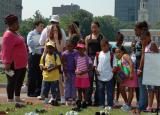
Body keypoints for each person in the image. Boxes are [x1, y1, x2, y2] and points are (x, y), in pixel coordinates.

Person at [1, 14, 28, 102]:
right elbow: (6, 50)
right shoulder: (8, 35)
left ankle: (17, 97)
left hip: (21, 63)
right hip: (13, 64)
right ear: (11, 24)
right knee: (12, 82)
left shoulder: (15, 33)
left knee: (19, 82)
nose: (18, 25)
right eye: (16, 23)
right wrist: (7, 63)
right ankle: (10, 100)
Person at [85, 21, 104, 106]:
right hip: (89, 60)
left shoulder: (102, 37)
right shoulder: (87, 37)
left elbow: (104, 50)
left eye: (95, 27)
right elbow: (86, 51)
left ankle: (97, 101)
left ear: (99, 28)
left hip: (99, 60)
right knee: (89, 81)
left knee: (98, 82)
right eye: (92, 27)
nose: (94, 29)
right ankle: (88, 100)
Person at [114, 46, 138, 112]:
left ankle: (128, 105)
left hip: (131, 75)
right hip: (125, 77)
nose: (117, 53)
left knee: (131, 90)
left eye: (119, 52)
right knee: (121, 88)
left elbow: (131, 63)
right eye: (116, 52)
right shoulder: (118, 60)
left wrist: (131, 73)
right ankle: (127, 104)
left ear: (122, 52)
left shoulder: (125, 55)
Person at [94, 39, 116, 108]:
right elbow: (95, 64)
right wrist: (96, 70)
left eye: (105, 46)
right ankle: (101, 104)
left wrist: (113, 70)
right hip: (100, 76)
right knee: (100, 91)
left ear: (108, 46)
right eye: (102, 46)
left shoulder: (112, 54)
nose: (103, 47)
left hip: (109, 76)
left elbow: (115, 65)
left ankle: (110, 105)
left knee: (110, 92)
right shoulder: (98, 54)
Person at [140, 31, 159, 112]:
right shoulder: (145, 46)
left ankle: (157, 106)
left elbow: (157, 56)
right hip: (147, 70)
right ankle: (149, 107)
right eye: (141, 39)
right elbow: (143, 57)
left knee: (157, 90)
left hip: (154, 70)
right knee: (150, 90)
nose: (143, 41)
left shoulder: (153, 44)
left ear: (149, 37)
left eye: (144, 39)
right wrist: (140, 68)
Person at [134, 21, 149, 113]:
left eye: (135, 29)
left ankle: (142, 105)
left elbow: (144, 54)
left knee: (142, 86)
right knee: (140, 86)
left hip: (141, 64)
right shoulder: (141, 38)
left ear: (140, 29)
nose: (135, 31)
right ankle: (142, 104)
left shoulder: (144, 38)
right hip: (139, 63)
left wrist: (140, 67)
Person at [39, 41, 61, 106]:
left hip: (54, 77)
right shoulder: (44, 55)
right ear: (46, 48)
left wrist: (51, 68)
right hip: (46, 77)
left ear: (54, 48)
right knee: (45, 89)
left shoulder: (56, 55)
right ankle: (46, 99)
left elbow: (58, 65)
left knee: (54, 89)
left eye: (51, 47)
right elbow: (41, 64)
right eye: (48, 47)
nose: (50, 49)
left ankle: (53, 99)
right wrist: (43, 68)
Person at [27, 20, 44, 97]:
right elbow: (29, 43)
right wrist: (39, 43)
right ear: (36, 26)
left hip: (40, 56)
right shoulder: (31, 33)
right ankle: (31, 92)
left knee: (40, 74)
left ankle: (38, 91)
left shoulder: (43, 34)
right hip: (33, 55)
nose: (42, 27)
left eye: (43, 26)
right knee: (32, 74)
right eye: (41, 26)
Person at [74, 41, 92, 109]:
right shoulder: (76, 57)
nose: (80, 50)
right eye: (78, 49)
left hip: (85, 76)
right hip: (78, 76)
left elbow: (90, 68)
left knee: (85, 90)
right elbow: (75, 66)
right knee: (79, 90)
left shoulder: (87, 58)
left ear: (84, 49)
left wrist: (83, 72)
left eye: (81, 49)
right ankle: (79, 102)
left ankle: (84, 102)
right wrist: (76, 71)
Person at [62, 40, 78, 106]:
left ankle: (74, 99)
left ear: (73, 46)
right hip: (67, 72)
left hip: (74, 72)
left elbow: (77, 62)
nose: (70, 47)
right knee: (67, 85)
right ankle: (67, 99)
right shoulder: (64, 54)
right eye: (68, 46)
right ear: (66, 46)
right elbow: (63, 63)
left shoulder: (76, 53)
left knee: (74, 85)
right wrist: (65, 73)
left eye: (71, 46)